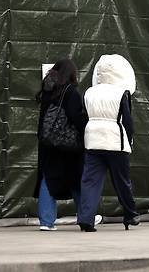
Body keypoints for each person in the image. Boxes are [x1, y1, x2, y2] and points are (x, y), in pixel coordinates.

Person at [78, 54, 143, 232]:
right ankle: (130, 214)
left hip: (92, 142)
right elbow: (127, 121)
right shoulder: (122, 93)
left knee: (90, 181)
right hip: (116, 142)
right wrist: (129, 140)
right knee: (122, 181)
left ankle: (86, 219)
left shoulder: (89, 93)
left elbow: (84, 116)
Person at [35, 59, 99, 231]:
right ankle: (85, 214)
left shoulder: (47, 90)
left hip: (48, 142)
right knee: (77, 178)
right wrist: (87, 125)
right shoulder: (70, 92)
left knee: (48, 179)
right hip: (68, 145)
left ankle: (46, 221)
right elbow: (76, 117)